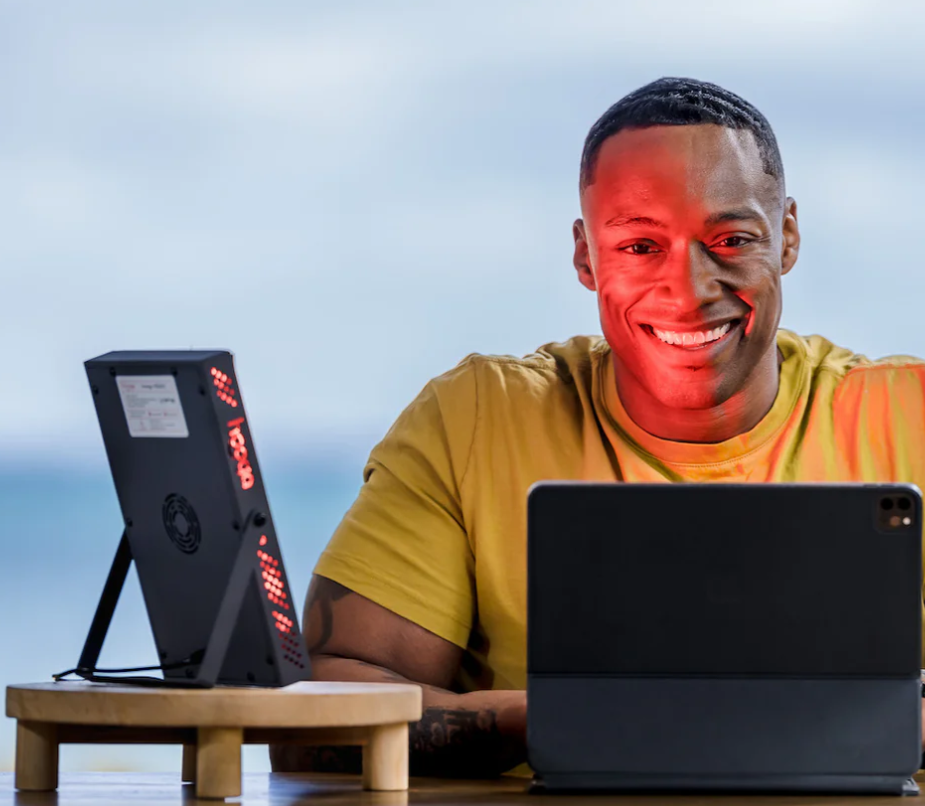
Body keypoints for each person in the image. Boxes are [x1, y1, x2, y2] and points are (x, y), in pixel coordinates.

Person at [271, 77, 925, 777]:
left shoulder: (905, 417)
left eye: (731, 238)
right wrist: (567, 718)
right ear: (585, 256)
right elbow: (315, 715)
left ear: (787, 235)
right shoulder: (476, 422)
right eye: (640, 247)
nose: (688, 288)